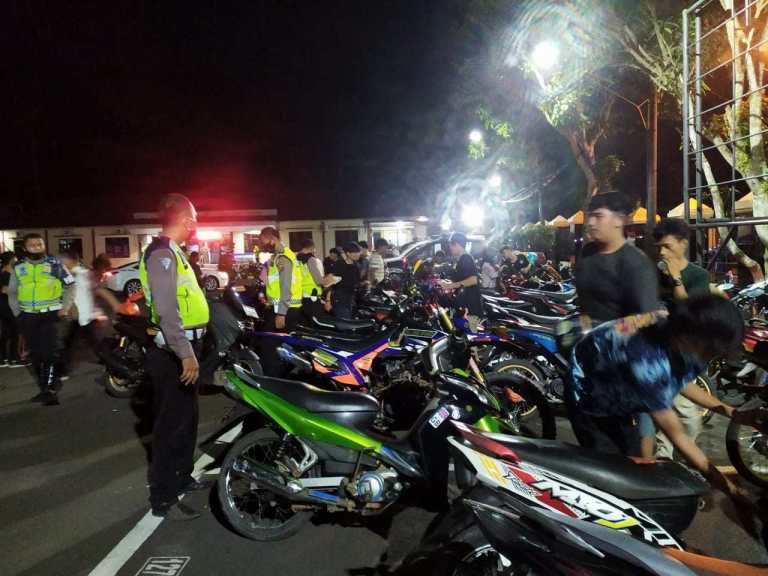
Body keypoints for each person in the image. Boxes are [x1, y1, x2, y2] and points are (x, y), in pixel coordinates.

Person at [567, 295, 761, 501]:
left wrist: (732, 412)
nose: (713, 356)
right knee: (609, 475)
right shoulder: (648, 359)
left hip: (624, 383)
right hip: (590, 395)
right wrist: (731, 491)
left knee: (632, 461)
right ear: (692, 337)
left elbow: (680, 382)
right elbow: (679, 437)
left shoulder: (681, 330)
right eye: (712, 350)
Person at [138, 193, 210, 520]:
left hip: (183, 348)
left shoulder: (174, 251)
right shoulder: (162, 254)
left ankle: (182, 476)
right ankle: (163, 497)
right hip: (173, 352)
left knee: (187, 418)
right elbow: (167, 309)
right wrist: (186, 354)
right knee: (170, 425)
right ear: (186, 220)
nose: (196, 224)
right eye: (195, 218)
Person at [650, 218, 712, 460]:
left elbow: (691, 314)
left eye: (667, 246)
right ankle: (664, 461)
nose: (662, 253)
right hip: (655, 351)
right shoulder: (654, 275)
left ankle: (675, 460)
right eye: (659, 248)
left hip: (683, 352)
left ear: (683, 244)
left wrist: (676, 279)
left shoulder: (698, 276)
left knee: (688, 417)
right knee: (665, 412)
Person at [574, 192, 659, 327]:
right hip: (585, 338)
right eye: (590, 216)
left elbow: (647, 317)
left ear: (619, 220)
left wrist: (609, 333)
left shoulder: (636, 263)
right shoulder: (587, 252)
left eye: (598, 216)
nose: (590, 222)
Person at [8, 233, 75, 405]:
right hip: (28, 316)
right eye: (33, 245)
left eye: (40, 244)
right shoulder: (19, 267)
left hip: (50, 315)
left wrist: (65, 308)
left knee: (49, 352)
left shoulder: (55, 264)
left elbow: (70, 285)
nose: (37, 247)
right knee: (36, 354)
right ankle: (44, 387)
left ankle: (49, 390)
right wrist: (17, 313)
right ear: (25, 248)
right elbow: (12, 292)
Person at [58, 250, 123, 377]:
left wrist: (117, 306)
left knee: (94, 346)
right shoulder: (70, 275)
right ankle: (62, 370)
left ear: (72, 261)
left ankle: (119, 368)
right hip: (80, 318)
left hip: (86, 318)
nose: (62, 264)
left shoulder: (82, 274)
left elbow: (100, 291)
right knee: (72, 344)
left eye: (64, 261)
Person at [259, 227, 303, 331]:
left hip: (285, 310)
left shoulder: (283, 258)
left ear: (273, 239)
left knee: (270, 339)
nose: (263, 246)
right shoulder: (279, 256)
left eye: (264, 243)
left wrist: (281, 314)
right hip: (284, 307)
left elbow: (286, 285)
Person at [443, 233, 483, 331]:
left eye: (451, 245)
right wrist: (449, 283)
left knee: (472, 334)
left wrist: (451, 285)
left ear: (456, 244)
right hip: (466, 304)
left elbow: (473, 280)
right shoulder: (462, 258)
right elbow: (462, 278)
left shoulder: (466, 258)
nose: (450, 248)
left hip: (470, 305)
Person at [329, 242, 362, 319]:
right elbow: (331, 283)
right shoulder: (339, 264)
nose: (358, 254)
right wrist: (328, 300)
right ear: (348, 253)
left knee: (348, 320)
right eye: (355, 252)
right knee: (344, 321)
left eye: (358, 252)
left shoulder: (356, 266)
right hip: (339, 298)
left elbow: (356, 283)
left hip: (350, 298)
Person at [0, 252, 22, 368]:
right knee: (14, 333)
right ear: (11, 260)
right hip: (9, 307)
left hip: (5, 307)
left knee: (6, 333)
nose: (17, 260)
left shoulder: (5, 272)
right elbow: (4, 290)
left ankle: (3, 359)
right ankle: (13, 359)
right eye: (15, 258)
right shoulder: (6, 274)